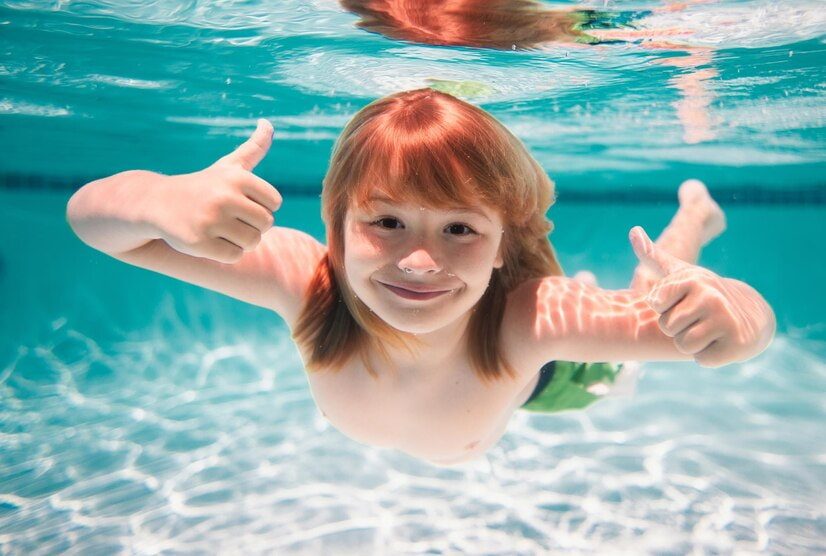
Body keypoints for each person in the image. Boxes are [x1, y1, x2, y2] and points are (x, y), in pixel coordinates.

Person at [66, 88, 775, 465]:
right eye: (387, 223)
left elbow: (740, 330)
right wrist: (160, 202)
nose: (420, 261)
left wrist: (731, 319)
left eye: (460, 229)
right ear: (337, 225)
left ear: (503, 245)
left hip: (553, 384)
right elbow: (95, 226)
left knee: (649, 313)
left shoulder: (529, 318)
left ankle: (692, 221)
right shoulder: (305, 282)